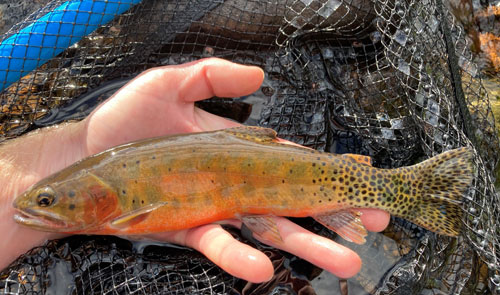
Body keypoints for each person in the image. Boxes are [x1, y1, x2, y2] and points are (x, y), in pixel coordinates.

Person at [0, 58, 390, 283]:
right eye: (46, 200)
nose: (38, 205)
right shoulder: (105, 182)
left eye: (47, 200)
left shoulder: (114, 197)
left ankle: (401, 190)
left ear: (94, 193)